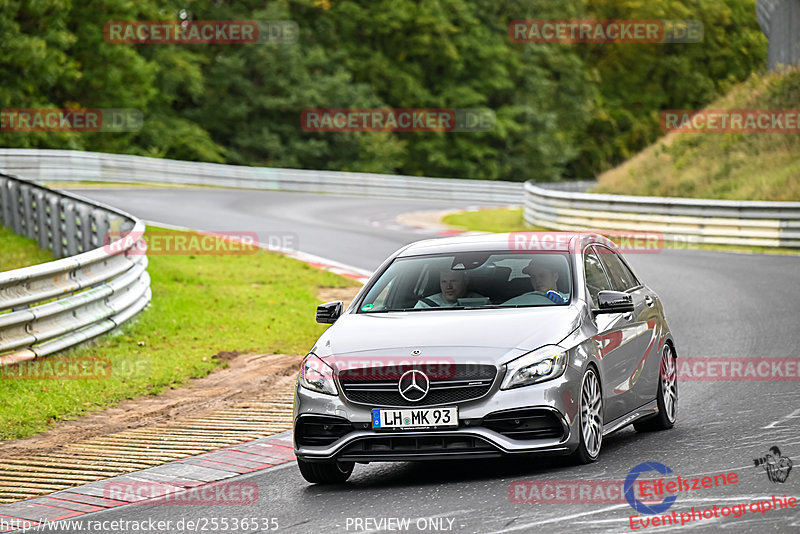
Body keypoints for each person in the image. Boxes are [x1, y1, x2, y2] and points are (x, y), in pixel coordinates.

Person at [504, 256, 569, 305]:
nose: (537, 280)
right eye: (533, 277)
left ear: (555, 277)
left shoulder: (571, 299)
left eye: (542, 275)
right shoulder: (524, 300)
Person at [414, 270, 484, 308]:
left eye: (453, 281)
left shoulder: (482, 303)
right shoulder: (424, 306)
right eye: (444, 282)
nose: (448, 287)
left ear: (465, 281)